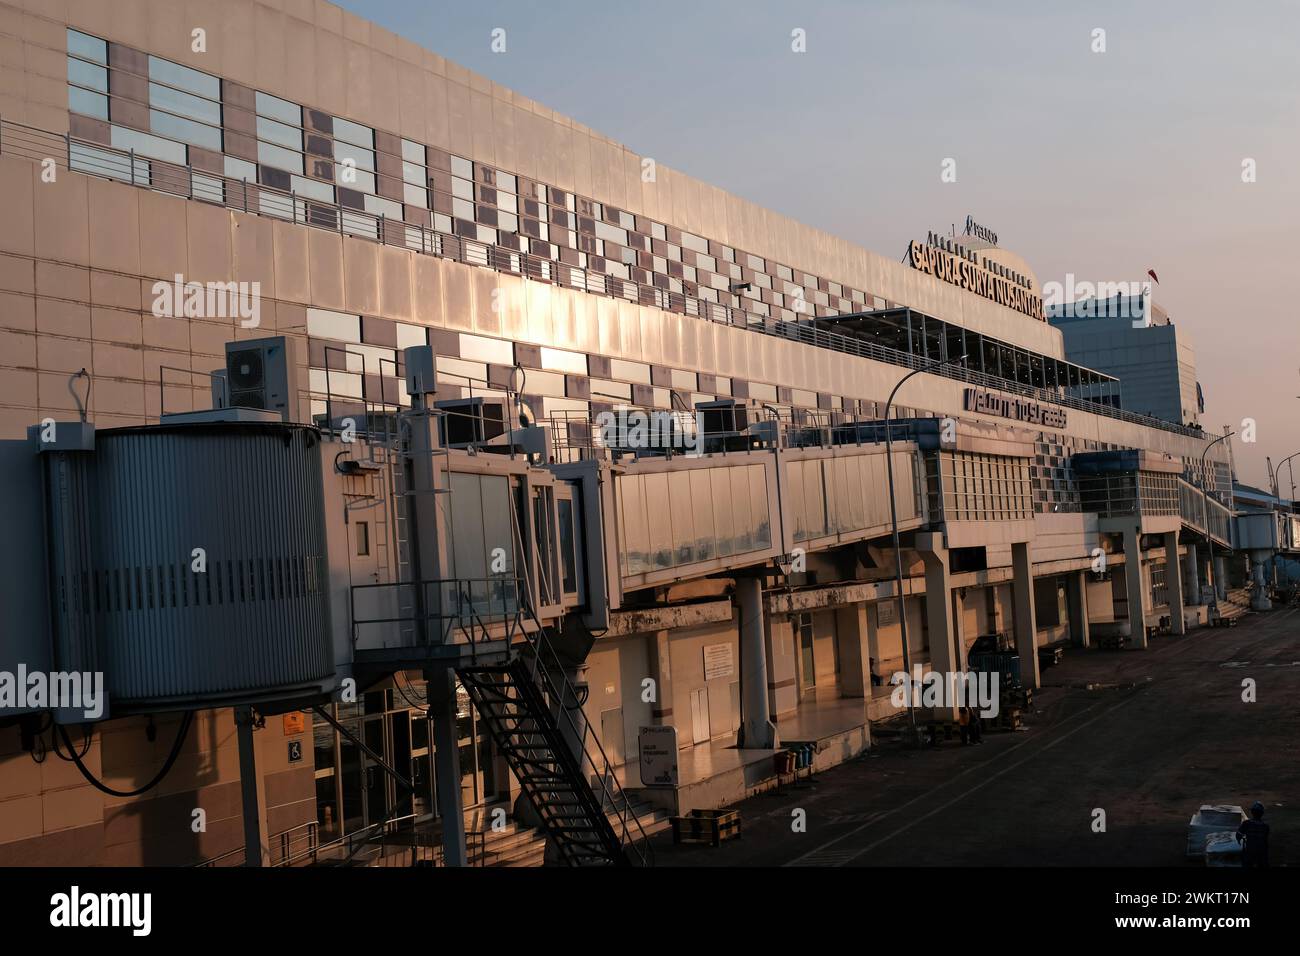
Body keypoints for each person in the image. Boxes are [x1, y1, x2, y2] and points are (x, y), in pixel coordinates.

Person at [1237, 801, 1270, 867]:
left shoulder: (1246, 823)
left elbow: (1238, 835)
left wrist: (1240, 842)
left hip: (1250, 850)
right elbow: (1265, 840)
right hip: (1261, 851)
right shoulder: (1265, 826)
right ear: (1262, 813)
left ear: (1252, 812)